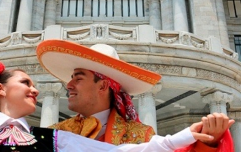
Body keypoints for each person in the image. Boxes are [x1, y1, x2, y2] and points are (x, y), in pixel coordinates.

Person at [0, 60, 222, 152]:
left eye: (77, 79)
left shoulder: (53, 139)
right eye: (25, 82)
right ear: (0, 89)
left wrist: (184, 137)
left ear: (104, 86)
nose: (36, 89)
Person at [36, 39, 235, 152]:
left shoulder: (142, 134)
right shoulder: (56, 133)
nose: (68, 85)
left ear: (103, 85)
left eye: (77, 78)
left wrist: (208, 143)